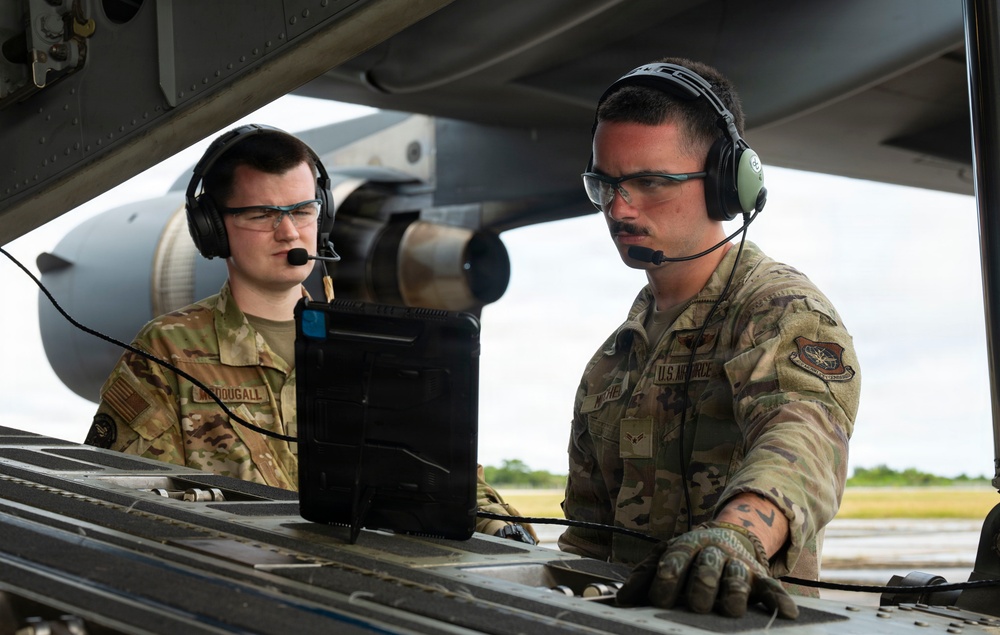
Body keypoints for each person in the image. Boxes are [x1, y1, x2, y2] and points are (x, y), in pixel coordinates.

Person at [83, 124, 534, 542]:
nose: (288, 233)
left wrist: (501, 528)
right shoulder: (167, 352)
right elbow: (124, 507)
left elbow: (448, 479)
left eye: (301, 211)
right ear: (214, 229)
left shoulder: (379, 347)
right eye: (263, 214)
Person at [559, 59, 860, 619]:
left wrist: (737, 536)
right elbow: (586, 545)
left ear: (727, 184)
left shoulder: (780, 310)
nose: (619, 208)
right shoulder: (613, 360)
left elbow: (804, 439)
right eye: (605, 184)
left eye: (651, 182)